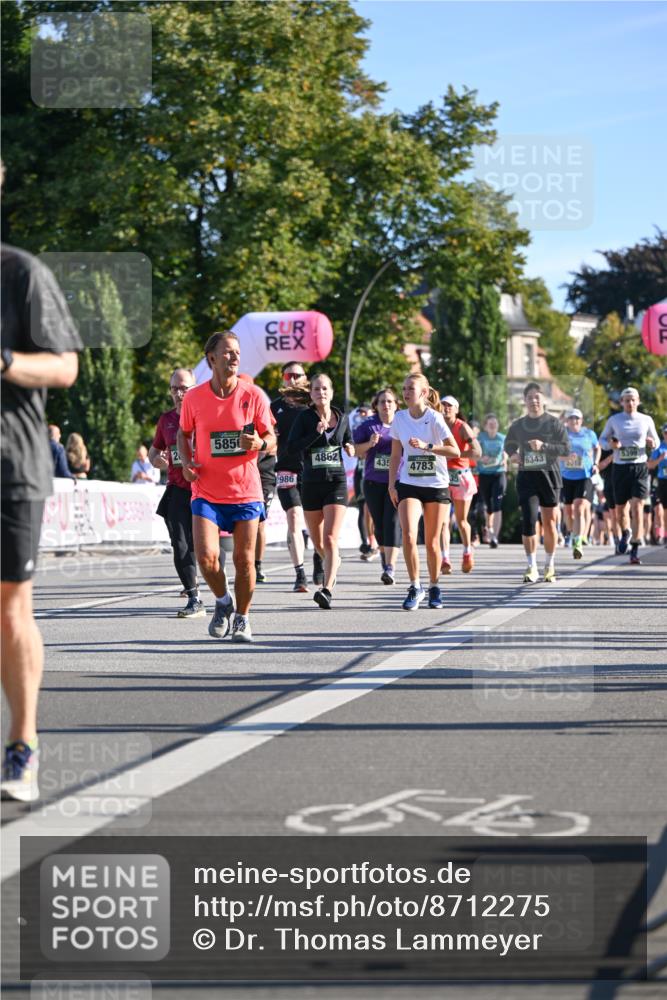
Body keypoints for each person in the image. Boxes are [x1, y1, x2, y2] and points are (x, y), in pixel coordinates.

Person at [1, 238, 81, 801]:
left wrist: (6, 360)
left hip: (10, 467)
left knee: (10, 607)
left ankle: (22, 743)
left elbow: (65, 365)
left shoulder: (21, 273)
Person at [177, 331, 276, 643]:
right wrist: (186, 461)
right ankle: (223, 601)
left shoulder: (254, 395)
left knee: (244, 561)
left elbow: (272, 438)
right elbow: (183, 433)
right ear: (211, 358)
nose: (235, 357)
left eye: (237, 352)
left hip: (245, 490)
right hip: (206, 489)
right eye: (228, 352)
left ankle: (242, 618)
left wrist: (260, 443)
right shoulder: (194, 398)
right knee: (207, 558)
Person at [388, 374, 460, 610]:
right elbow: (395, 455)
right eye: (404, 388)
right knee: (409, 534)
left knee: (432, 542)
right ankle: (415, 586)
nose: (406, 393)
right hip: (409, 483)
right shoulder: (399, 418)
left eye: (411, 388)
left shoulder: (435, 418)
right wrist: (391, 484)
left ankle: (434, 586)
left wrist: (428, 447)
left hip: (436, 485)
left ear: (424, 393)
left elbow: (455, 451)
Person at [286, 373, 354, 609]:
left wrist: (350, 446)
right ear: (311, 394)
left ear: (331, 393)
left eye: (325, 389)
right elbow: (292, 448)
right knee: (318, 543)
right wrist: (315, 433)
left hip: (336, 482)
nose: (321, 393)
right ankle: (332, 562)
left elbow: (348, 439)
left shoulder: (342, 417)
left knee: (330, 537)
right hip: (311, 484)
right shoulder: (304, 418)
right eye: (316, 389)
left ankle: (327, 589)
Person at [149, 367, 210, 618]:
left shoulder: (206, 415)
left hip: (205, 489)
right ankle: (194, 597)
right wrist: (157, 461)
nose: (179, 393)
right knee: (180, 544)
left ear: (194, 388)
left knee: (205, 547)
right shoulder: (166, 420)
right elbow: (154, 451)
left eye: (184, 388)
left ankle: (220, 588)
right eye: (174, 388)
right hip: (176, 488)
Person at [504, 382, 570, 583]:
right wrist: (513, 455)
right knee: (529, 520)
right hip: (527, 479)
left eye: (537, 397)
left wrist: (544, 446)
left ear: (543, 399)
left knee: (549, 522)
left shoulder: (554, 423)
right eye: (530, 397)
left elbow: (565, 449)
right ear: (525, 401)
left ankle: (549, 565)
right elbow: (508, 445)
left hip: (549, 477)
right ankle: (531, 566)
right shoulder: (518, 425)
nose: (534, 400)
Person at [270, 362, 322, 592]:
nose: (292, 379)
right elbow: (267, 437)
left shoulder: (314, 404)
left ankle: (319, 556)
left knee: (315, 522)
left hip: (312, 469)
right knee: (293, 518)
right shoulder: (275, 407)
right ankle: (300, 573)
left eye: (297, 375)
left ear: (305, 378)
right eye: (288, 375)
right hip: (286, 468)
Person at [599, 387, 659, 566]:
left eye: (633, 400)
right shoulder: (614, 420)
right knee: (620, 509)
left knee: (638, 507)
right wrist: (611, 445)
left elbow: (656, 442)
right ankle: (626, 532)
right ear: (622, 403)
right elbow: (602, 440)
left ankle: (634, 549)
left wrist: (652, 443)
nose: (630, 403)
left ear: (638, 401)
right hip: (620, 468)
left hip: (639, 467)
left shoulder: (646, 420)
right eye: (627, 400)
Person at [353, 387, 402, 584]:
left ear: (396, 405)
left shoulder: (403, 423)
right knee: (379, 526)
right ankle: (384, 556)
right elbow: (355, 450)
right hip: (373, 482)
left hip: (397, 481)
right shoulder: (368, 426)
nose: (386, 405)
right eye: (382, 401)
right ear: (376, 405)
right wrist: (370, 444)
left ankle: (390, 567)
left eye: (390, 401)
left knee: (392, 522)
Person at [439, 396, 481, 574]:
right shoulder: (436, 424)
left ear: (456, 409)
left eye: (450, 406)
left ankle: (467, 552)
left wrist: (455, 454)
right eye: (443, 405)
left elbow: (477, 452)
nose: (446, 408)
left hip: (460, 476)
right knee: (443, 522)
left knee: (462, 521)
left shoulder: (462, 427)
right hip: (442, 477)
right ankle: (445, 559)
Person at [560, 408, 600, 560]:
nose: (574, 421)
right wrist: (566, 458)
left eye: (577, 418)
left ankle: (578, 542)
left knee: (579, 507)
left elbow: (597, 448)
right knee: (568, 511)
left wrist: (595, 463)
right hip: (566, 476)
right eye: (571, 418)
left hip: (584, 475)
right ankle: (572, 533)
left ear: (581, 420)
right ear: (567, 421)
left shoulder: (589, 434)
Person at [477, 413, 507, 548]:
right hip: (484, 475)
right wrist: (481, 458)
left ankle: (494, 537)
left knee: (497, 504)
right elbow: (474, 453)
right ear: (485, 426)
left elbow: (506, 452)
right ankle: (489, 528)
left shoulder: (502, 438)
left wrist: (505, 459)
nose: (493, 426)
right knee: (488, 506)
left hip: (499, 473)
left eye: (495, 424)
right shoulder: (480, 438)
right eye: (490, 424)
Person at [648, 422, 667, 545]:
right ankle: (660, 535)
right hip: (660, 481)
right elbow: (650, 465)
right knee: (660, 510)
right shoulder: (659, 448)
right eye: (666, 433)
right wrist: (660, 458)